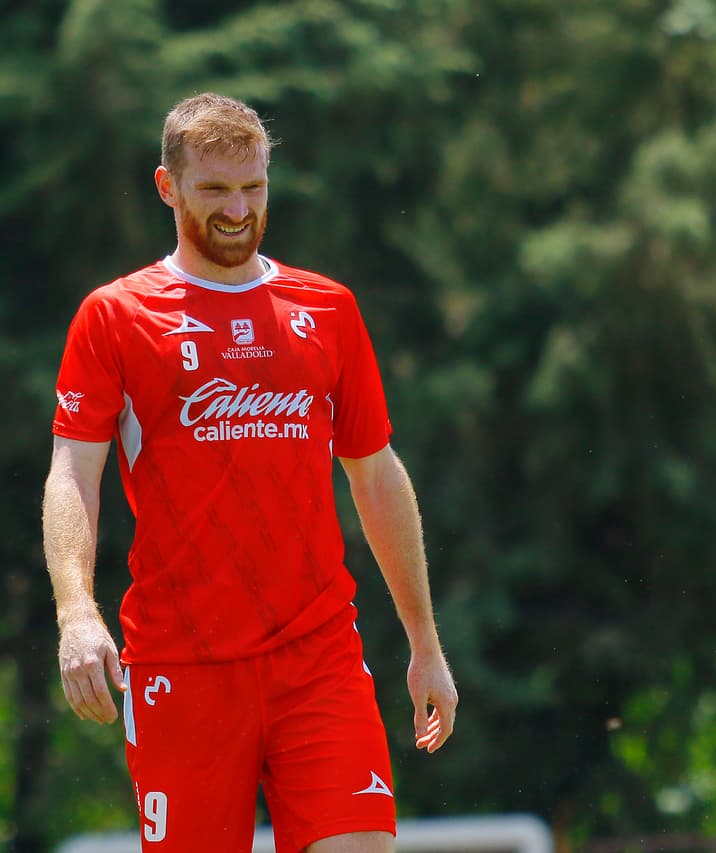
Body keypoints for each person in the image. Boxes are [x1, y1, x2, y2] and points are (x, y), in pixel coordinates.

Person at [42, 92, 458, 852]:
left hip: (319, 658)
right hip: (182, 665)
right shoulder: (116, 316)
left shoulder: (328, 309)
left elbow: (376, 475)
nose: (238, 210)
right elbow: (73, 474)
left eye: (253, 187)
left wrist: (424, 642)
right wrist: (76, 613)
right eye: (214, 189)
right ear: (168, 186)